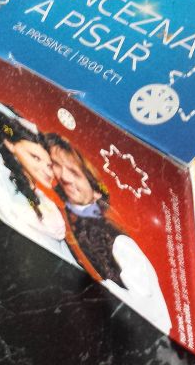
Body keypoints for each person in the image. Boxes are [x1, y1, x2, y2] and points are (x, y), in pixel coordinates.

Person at [46, 133, 172, 334]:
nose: (65, 177)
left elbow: (153, 311)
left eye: (74, 172)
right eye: (56, 166)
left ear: (95, 189)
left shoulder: (118, 242)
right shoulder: (59, 215)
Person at [0, 101, 78, 266]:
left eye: (49, 165)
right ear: (10, 144)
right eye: (35, 157)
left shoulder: (37, 195)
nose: (46, 170)